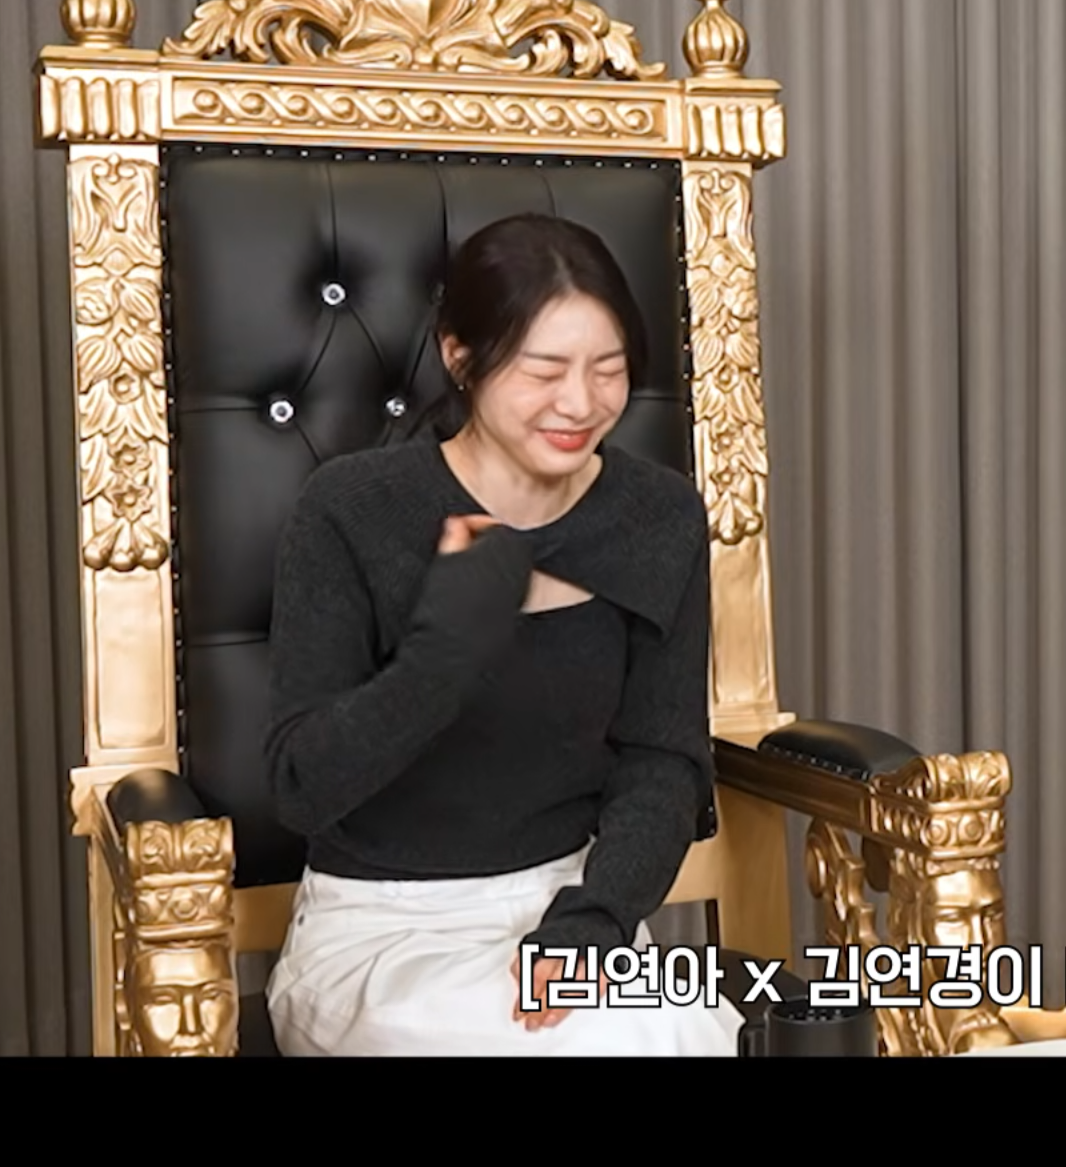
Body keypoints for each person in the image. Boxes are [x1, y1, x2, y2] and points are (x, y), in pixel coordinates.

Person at [262, 213, 741, 1056]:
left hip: (577, 908)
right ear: (461, 357)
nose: (580, 403)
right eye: (543, 371)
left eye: (609, 369)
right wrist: (448, 646)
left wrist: (594, 926)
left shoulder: (657, 517)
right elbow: (302, 788)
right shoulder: (352, 509)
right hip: (383, 929)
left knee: (676, 1030)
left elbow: (663, 760)